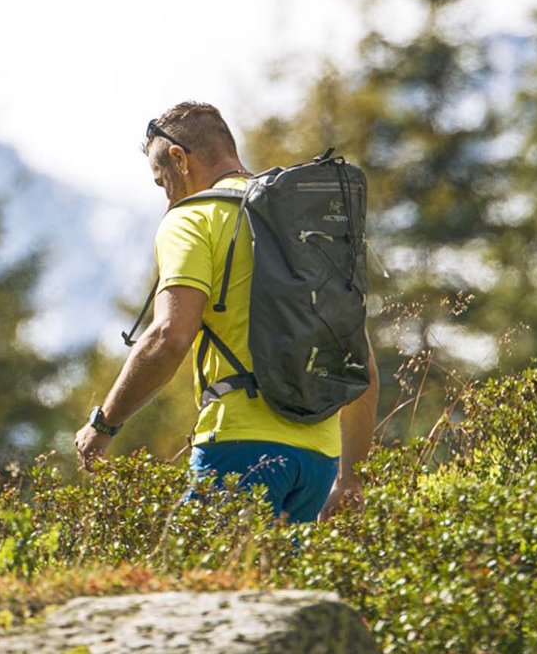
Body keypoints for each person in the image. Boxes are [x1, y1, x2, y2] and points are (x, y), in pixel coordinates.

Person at [73, 101, 378, 522]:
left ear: (179, 159)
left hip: (239, 446)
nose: (165, 199)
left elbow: (169, 337)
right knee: (270, 586)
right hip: (319, 457)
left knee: (195, 579)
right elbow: (361, 362)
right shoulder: (295, 223)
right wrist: (349, 478)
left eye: (162, 182)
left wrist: (103, 426)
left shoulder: (192, 220)